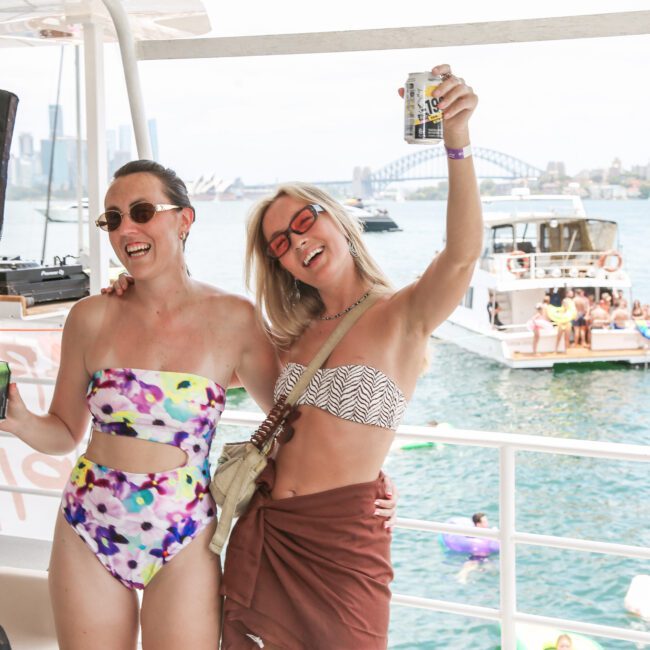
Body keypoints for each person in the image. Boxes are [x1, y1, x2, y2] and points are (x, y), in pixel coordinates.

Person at [219, 63, 481, 649]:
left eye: (305, 221)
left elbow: (462, 258)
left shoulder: (403, 315)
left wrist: (456, 144)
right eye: (280, 244)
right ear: (279, 265)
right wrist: (132, 288)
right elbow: (202, 353)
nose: (298, 242)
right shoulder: (289, 339)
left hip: (342, 553)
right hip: (265, 532)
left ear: (337, 218)